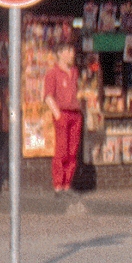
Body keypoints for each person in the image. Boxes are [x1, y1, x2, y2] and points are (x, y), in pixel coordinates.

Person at [45, 43, 85, 192]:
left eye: (72, 51)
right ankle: (58, 185)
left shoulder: (75, 72)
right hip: (62, 113)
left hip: (75, 114)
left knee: (72, 151)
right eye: (68, 51)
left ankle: (67, 185)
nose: (71, 54)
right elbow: (48, 96)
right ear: (60, 53)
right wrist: (58, 115)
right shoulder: (52, 73)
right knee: (61, 150)